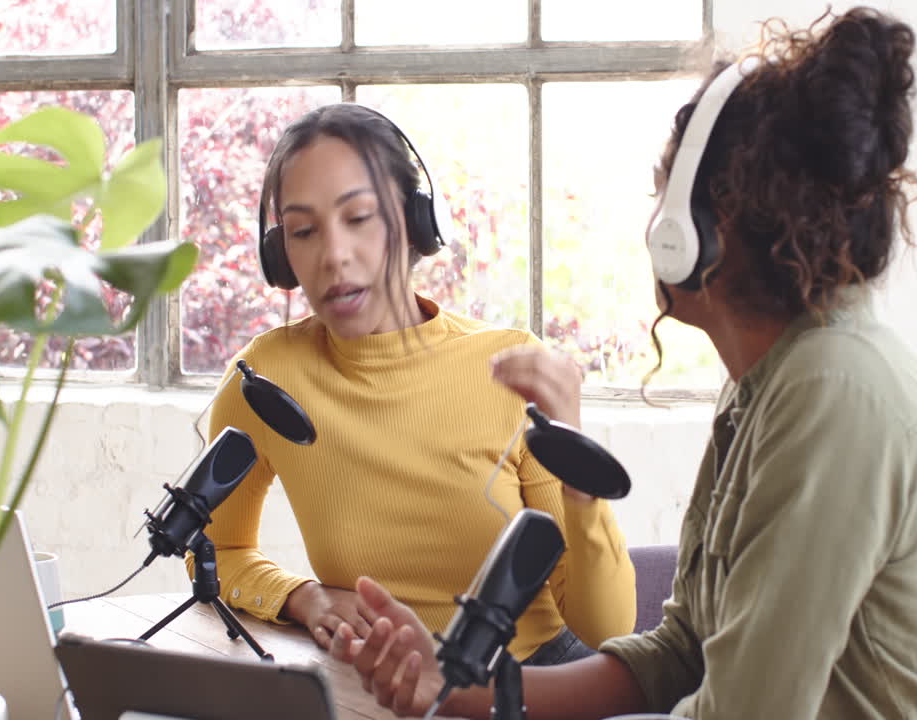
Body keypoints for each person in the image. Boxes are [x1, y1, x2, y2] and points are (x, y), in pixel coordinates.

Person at [327, 7, 917, 718]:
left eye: (664, 191)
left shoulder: (833, 390)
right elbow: (682, 651)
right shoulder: (769, 382)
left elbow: (742, 710)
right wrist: (455, 689)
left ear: (697, 229)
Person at [196, 102, 636, 667]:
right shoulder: (265, 381)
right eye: (303, 231)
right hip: (379, 689)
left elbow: (607, 629)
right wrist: (300, 597)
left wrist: (579, 465)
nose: (333, 255)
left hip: (532, 682)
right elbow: (215, 549)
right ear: (281, 255)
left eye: (359, 218)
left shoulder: (508, 365)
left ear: (414, 222)